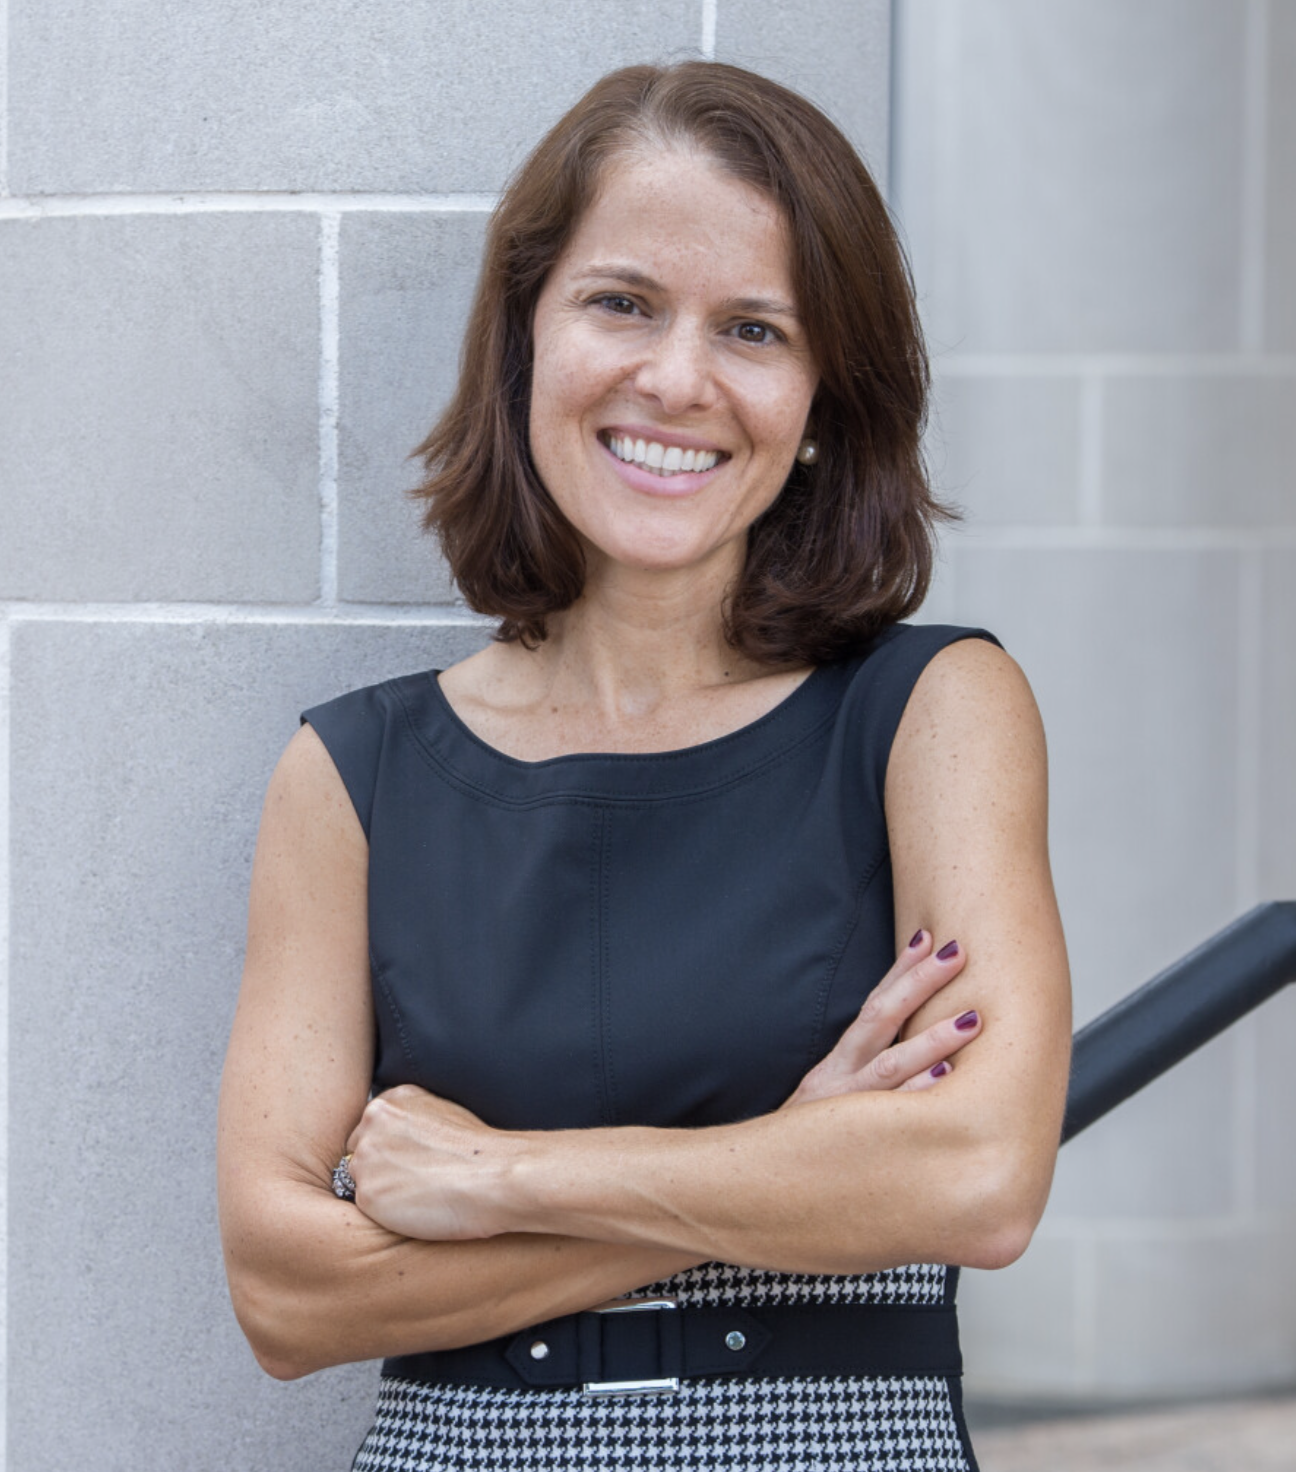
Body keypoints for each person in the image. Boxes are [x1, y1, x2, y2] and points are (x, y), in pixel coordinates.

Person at [217, 60, 1071, 1472]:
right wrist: (795, 1162)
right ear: (526, 341)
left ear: (820, 407)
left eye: (753, 328)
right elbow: (287, 1294)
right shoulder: (353, 773)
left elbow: (978, 1179)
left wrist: (496, 1178)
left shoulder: (932, 713)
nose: (676, 380)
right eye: (622, 304)